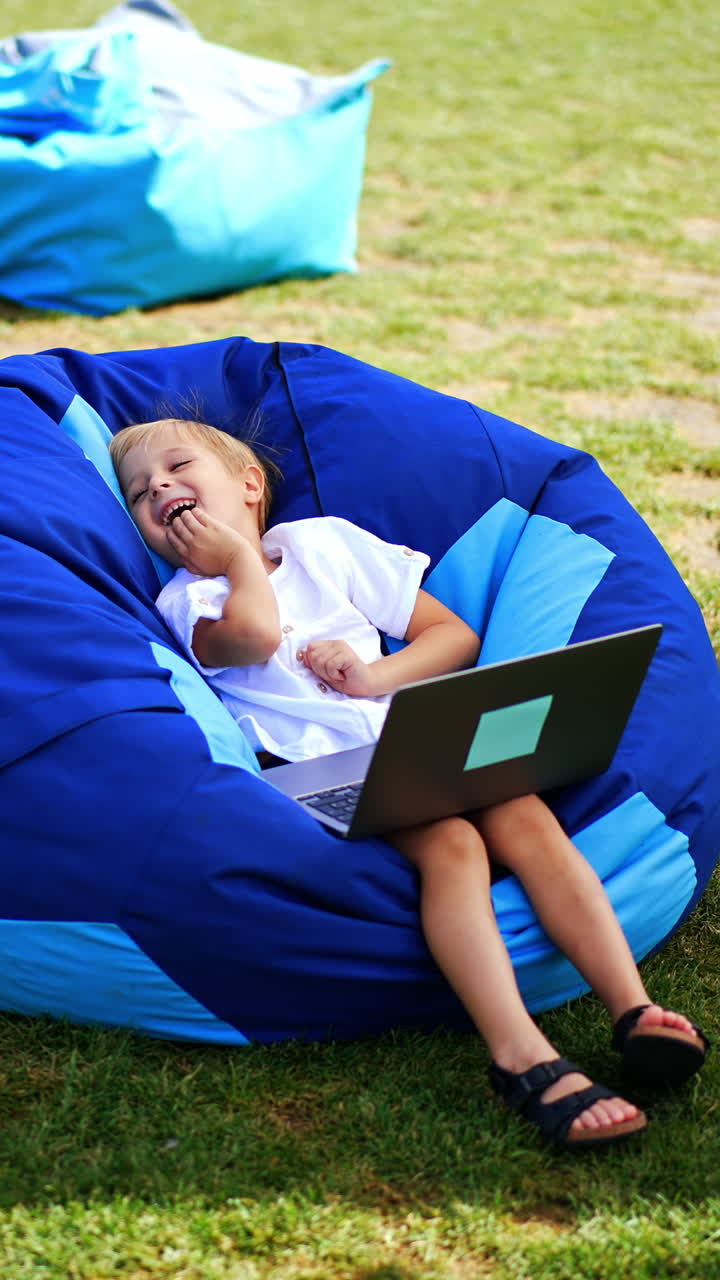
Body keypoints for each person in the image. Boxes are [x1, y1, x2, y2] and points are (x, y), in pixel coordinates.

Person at [110, 417, 709, 1151]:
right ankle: (521, 1055)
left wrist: (374, 676)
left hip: (410, 737)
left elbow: (453, 638)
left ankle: (632, 1009)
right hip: (313, 777)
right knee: (452, 845)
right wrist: (236, 559)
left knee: (525, 813)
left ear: (249, 484)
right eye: (141, 494)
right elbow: (258, 638)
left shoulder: (322, 542)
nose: (161, 488)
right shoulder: (190, 601)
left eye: (176, 467)